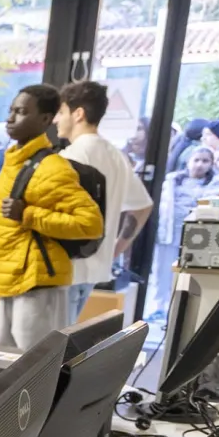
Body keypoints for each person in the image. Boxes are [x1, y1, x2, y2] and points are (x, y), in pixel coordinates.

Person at [0, 84, 104, 350]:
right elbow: (24, 203)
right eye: (11, 110)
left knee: (35, 367)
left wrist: (28, 214)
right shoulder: (16, 161)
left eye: (21, 112)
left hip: (37, 282)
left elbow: (90, 223)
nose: (11, 118)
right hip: (11, 278)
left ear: (45, 119)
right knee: (1, 362)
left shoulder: (52, 167)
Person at [55, 81, 155, 324]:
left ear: (78, 114)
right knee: (63, 343)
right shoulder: (116, 156)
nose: (56, 119)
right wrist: (115, 250)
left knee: (49, 351)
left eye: (61, 112)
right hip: (94, 269)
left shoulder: (70, 157)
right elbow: (142, 207)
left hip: (65, 269)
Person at [148, 146, 219, 321]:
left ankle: (178, 311)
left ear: (211, 164)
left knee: (187, 273)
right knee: (163, 272)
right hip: (169, 233)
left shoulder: (216, 185)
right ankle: (158, 307)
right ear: (188, 161)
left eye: (205, 161)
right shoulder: (172, 181)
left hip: (198, 237)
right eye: (196, 160)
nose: (200, 165)